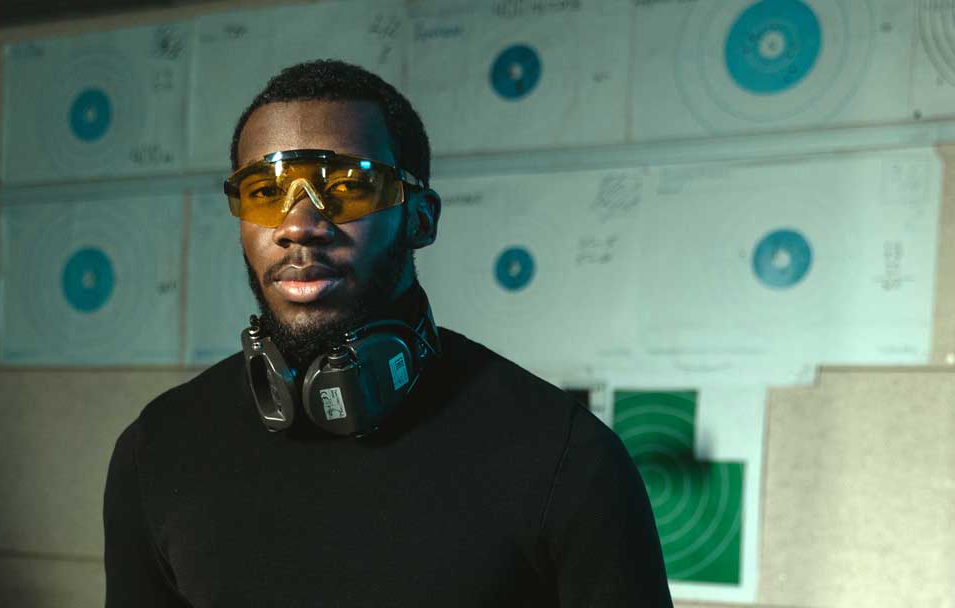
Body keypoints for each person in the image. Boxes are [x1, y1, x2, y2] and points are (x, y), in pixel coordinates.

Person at [103, 59, 672, 607]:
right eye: (265, 192)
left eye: (348, 187)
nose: (298, 225)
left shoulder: (566, 458)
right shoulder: (158, 449)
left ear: (420, 218)